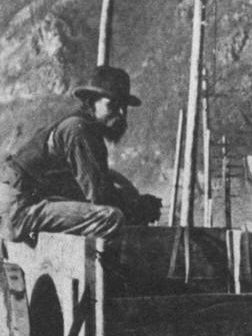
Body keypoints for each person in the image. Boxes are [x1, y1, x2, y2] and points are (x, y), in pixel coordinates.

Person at [0, 65, 162, 243]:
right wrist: (134, 207)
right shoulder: (78, 129)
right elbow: (99, 197)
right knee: (111, 217)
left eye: (124, 106)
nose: (122, 113)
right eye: (113, 105)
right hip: (18, 212)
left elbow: (96, 182)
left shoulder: (82, 128)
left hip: (20, 206)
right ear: (92, 102)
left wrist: (131, 198)